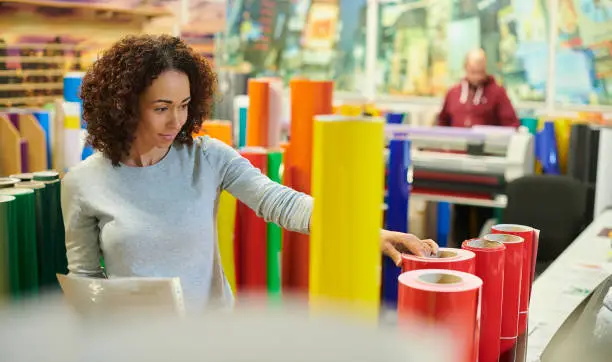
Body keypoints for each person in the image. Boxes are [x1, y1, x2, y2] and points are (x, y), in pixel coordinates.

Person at [62, 34, 438, 312]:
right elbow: (84, 279)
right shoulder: (83, 182)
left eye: (184, 105)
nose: (176, 120)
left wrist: (367, 232)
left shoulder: (206, 158)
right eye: (161, 107)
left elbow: (282, 203)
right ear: (124, 105)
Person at [437, 49, 520, 244]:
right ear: (465, 68)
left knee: (484, 214)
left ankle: (485, 252)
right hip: (459, 164)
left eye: (480, 72)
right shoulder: (454, 92)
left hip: (486, 167)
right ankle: (458, 253)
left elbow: (512, 124)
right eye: (473, 71)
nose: (476, 76)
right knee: (460, 213)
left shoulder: (497, 93)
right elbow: (442, 122)